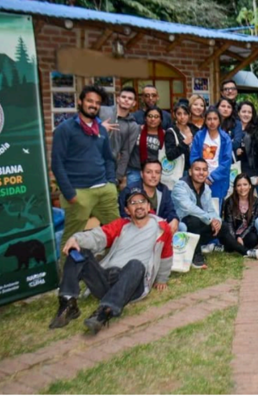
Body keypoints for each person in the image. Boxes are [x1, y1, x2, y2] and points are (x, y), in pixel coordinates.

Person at [49, 187, 172, 333]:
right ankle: (68, 303)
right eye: (133, 202)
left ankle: (104, 312)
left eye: (142, 201)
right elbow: (98, 236)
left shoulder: (161, 228)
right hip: (106, 279)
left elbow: (166, 253)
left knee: (135, 264)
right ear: (127, 210)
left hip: (133, 283)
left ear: (149, 206)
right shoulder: (121, 225)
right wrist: (76, 238)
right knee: (78, 251)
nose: (139, 205)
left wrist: (162, 279)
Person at [51, 85, 119, 256]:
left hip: (104, 190)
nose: (93, 105)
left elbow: (108, 159)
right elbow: (57, 163)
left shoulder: (101, 129)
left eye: (97, 103)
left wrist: (111, 183)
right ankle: (67, 279)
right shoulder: (65, 129)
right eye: (90, 101)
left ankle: (113, 267)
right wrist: (70, 194)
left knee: (117, 231)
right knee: (71, 238)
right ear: (80, 102)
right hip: (78, 192)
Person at [172, 158, 225, 269]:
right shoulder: (180, 186)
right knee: (194, 219)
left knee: (223, 226)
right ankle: (196, 256)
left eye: (204, 170)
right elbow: (189, 208)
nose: (201, 173)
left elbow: (210, 210)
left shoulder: (205, 188)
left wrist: (217, 221)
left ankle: (244, 251)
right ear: (190, 172)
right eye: (197, 169)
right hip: (182, 226)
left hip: (198, 226)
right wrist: (210, 219)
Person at [117, 160, 179, 233]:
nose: (153, 176)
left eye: (157, 172)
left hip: (158, 228)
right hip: (135, 228)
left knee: (181, 226)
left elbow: (170, 210)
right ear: (142, 174)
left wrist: (174, 219)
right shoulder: (130, 190)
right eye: (149, 172)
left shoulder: (163, 190)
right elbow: (123, 215)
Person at [221, 174, 258, 259]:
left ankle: (234, 247)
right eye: (239, 185)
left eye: (245, 184)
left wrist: (241, 237)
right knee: (226, 237)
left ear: (250, 186)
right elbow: (229, 223)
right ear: (235, 188)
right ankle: (246, 251)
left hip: (245, 234)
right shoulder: (229, 202)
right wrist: (235, 239)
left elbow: (252, 224)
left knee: (254, 238)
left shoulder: (256, 202)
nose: (242, 188)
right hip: (232, 234)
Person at [99, 86, 140, 190]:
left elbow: (126, 152)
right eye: (123, 97)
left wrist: (118, 176)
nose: (126, 100)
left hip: (110, 167)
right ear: (117, 99)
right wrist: (99, 128)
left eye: (130, 98)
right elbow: (84, 126)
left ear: (134, 103)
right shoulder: (102, 111)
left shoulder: (133, 125)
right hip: (91, 160)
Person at [189, 107, 233, 203]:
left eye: (215, 119)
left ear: (219, 121)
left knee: (215, 210)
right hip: (200, 178)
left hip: (218, 179)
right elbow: (194, 157)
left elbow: (227, 161)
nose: (212, 122)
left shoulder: (225, 138)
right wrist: (202, 175)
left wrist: (211, 177)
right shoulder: (199, 136)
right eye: (209, 119)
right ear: (205, 120)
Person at [233, 101, 258, 196]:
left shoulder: (256, 129)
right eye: (244, 112)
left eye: (249, 112)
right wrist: (235, 151)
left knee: (252, 197)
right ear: (238, 112)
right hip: (235, 168)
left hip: (251, 168)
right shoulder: (233, 127)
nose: (246, 114)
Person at [164, 103, 197, 177]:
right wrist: (184, 143)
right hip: (180, 171)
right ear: (174, 115)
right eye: (179, 114)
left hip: (194, 169)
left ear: (189, 115)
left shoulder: (194, 129)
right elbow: (170, 155)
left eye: (185, 114)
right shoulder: (171, 132)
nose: (182, 117)